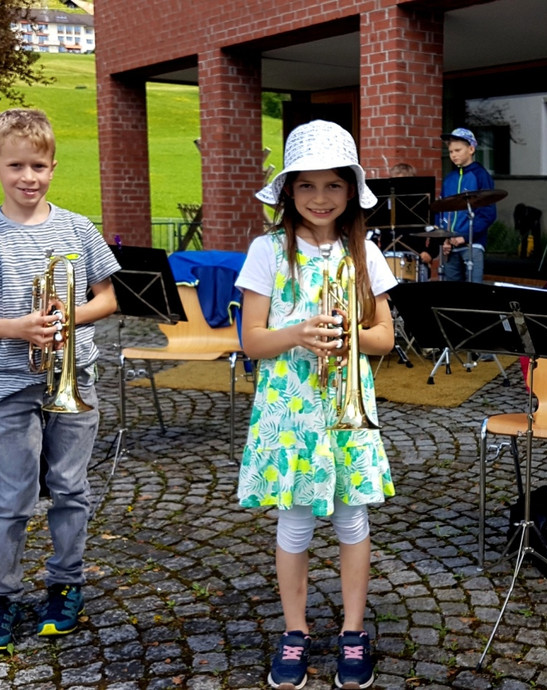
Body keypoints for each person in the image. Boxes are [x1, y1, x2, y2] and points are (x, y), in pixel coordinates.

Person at [0, 108, 121, 654]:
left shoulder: (77, 227)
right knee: (13, 495)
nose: (29, 176)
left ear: (53, 167)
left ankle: (64, 585)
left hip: (74, 377)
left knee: (71, 489)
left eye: (39, 165)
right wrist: (20, 327)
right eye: (17, 165)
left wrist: (68, 317)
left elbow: (109, 298)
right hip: (11, 382)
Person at [236, 119, 397, 690]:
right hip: (290, 408)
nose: (321, 198)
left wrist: (348, 330)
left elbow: (386, 338)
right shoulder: (267, 250)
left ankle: (354, 632)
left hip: (345, 405)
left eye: (333, 185)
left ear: (351, 191)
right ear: (287, 193)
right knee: (296, 524)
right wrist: (299, 333)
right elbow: (251, 340)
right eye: (307, 186)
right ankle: (295, 631)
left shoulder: (364, 251)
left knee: (354, 518)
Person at [436, 127, 496, 282]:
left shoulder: (481, 175)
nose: (453, 155)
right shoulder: (449, 178)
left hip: (472, 244)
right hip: (450, 246)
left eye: (458, 150)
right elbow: (441, 210)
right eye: (450, 152)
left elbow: (488, 213)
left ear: (471, 149)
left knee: (473, 293)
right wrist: (444, 238)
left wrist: (464, 237)